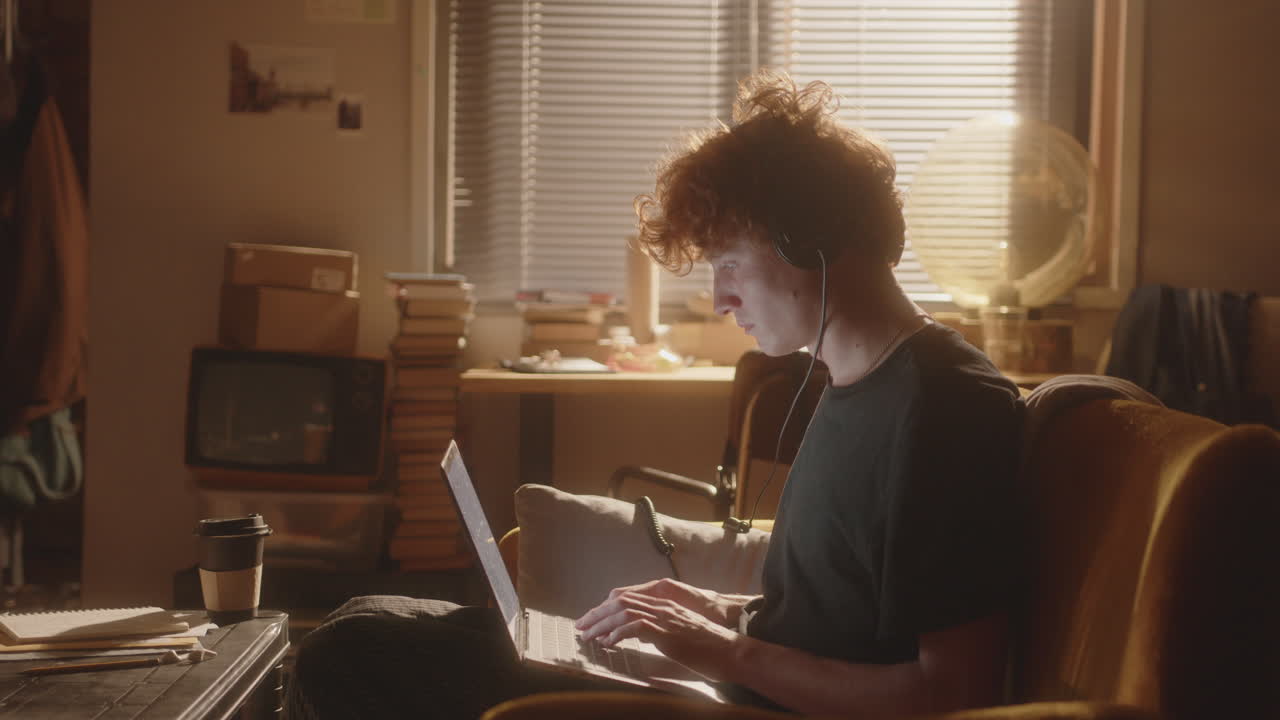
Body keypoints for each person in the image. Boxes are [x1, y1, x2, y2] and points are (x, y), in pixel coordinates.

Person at [286, 69, 1023, 719]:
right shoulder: (850, 380)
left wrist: (723, 654)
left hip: (750, 707)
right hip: (735, 684)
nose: (719, 298)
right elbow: (838, 620)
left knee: (347, 653)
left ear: (811, 241)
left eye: (729, 260)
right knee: (366, 612)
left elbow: (951, 697)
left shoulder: (945, 410)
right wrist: (713, 612)